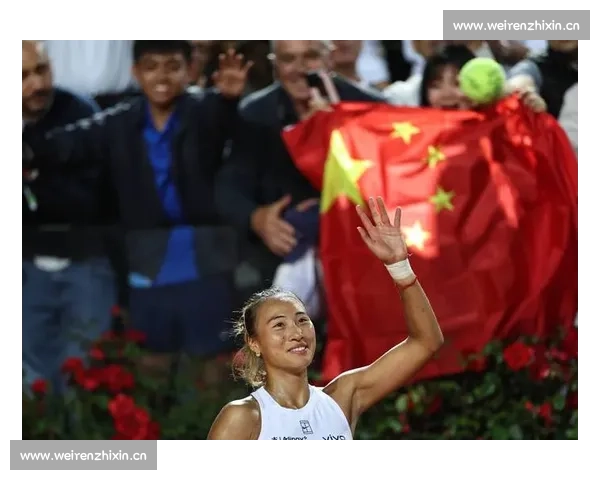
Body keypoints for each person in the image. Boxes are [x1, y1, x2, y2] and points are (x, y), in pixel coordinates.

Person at [22, 41, 252, 386]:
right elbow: (64, 145)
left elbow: (229, 125)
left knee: (212, 369)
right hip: (147, 259)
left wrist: (231, 100)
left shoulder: (206, 110)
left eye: (172, 66)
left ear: (189, 70)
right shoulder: (118, 121)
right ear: (135, 73)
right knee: (151, 365)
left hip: (206, 256)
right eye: (151, 67)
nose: (162, 76)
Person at [208, 197, 444, 440]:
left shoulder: (342, 398)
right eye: (279, 325)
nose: (296, 333)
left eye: (302, 320)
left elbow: (426, 342)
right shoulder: (242, 418)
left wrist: (400, 267)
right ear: (254, 343)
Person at [19, 40, 117, 394]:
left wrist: (34, 181)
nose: (38, 84)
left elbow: (91, 200)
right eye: (22, 76)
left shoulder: (80, 112)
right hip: (25, 269)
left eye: (42, 70)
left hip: (85, 263)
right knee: (31, 379)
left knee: (84, 376)